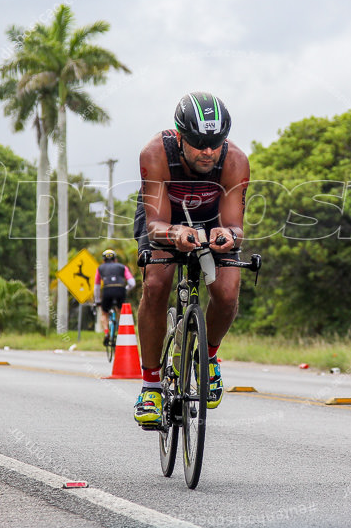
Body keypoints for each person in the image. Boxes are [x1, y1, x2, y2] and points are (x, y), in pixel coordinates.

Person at [132, 91, 249, 428]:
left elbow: (236, 227)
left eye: (215, 141)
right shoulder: (155, 153)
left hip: (214, 220)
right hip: (164, 218)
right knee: (157, 283)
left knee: (226, 294)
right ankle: (151, 386)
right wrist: (175, 235)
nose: (208, 150)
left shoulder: (235, 161)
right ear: (180, 136)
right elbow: (155, 226)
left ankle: (208, 357)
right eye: (198, 142)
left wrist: (227, 236)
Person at [94, 249, 135, 345]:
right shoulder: (123, 267)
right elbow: (132, 283)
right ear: (115, 259)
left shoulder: (100, 268)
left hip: (107, 290)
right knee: (121, 312)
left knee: (104, 313)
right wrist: (125, 289)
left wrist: (97, 300)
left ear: (104, 260)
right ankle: (120, 332)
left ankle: (107, 333)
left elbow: (97, 287)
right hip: (120, 290)